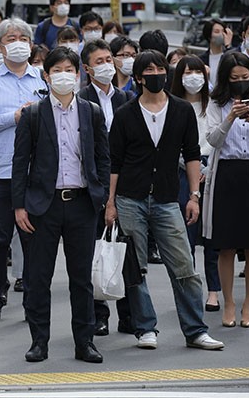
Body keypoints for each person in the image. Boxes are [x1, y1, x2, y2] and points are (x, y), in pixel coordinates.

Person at [105, 50, 224, 351]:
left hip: (168, 198)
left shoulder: (182, 110)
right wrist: (110, 202)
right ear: (138, 77)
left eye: (161, 68)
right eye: (150, 69)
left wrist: (194, 195)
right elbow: (114, 162)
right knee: (136, 266)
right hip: (130, 198)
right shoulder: (125, 113)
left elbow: (192, 154)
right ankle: (145, 327)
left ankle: (195, 329)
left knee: (184, 264)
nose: (156, 73)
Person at [12, 46, 109, 364]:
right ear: (46, 75)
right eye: (57, 70)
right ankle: (39, 341)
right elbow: (20, 162)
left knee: (81, 278)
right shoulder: (33, 114)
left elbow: (103, 158)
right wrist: (19, 205)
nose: (63, 75)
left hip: (82, 203)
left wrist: (103, 195)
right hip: (44, 205)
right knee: (39, 277)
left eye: (69, 69)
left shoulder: (91, 111)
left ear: (79, 74)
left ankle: (85, 342)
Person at [0, 18, 48, 323]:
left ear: (31, 44)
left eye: (23, 38)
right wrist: (13, 117)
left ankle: (33, 298)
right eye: (11, 38)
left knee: (34, 241)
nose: (17, 43)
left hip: (34, 174)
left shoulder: (43, 79)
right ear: (0, 46)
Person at [203, 52, 249, 328]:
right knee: (226, 246)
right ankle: (229, 302)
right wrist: (230, 116)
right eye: (235, 79)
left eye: (245, 78)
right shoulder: (216, 105)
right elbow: (212, 140)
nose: (241, 83)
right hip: (227, 175)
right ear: (225, 80)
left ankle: (248, 305)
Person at [77, 38, 133, 336]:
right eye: (99, 62)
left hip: (126, 183)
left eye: (109, 59)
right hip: (94, 184)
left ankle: (128, 314)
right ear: (87, 68)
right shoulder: (81, 100)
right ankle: (99, 314)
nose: (107, 66)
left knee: (126, 250)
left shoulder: (126, 98)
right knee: (97, 250)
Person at [169, 55, 221, 313]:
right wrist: (191, 167)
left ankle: (213, 290)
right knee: (185, 238)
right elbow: (170, 142)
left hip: (211, 169)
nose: (194, 77)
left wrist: (205, 168)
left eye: (198, 71)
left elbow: (219, 136)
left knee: (212, 236)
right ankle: (189, 292)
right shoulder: (173, 105)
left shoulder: (214, 103)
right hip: (181, 171)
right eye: (188, 72)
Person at [198, 19, 234, 88]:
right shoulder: (201, 59)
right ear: (209, 36)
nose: (221, 34)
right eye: (217, 32)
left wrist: (228, 46)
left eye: (223, 31)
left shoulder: (230, 54)